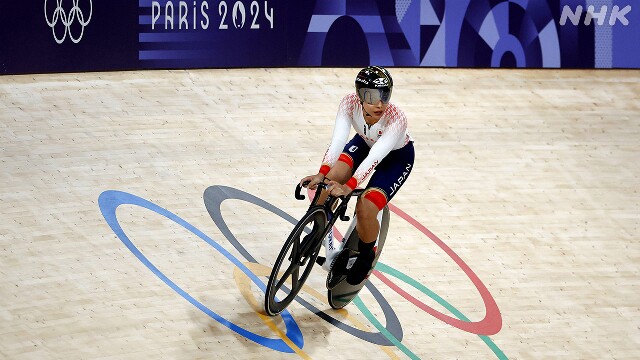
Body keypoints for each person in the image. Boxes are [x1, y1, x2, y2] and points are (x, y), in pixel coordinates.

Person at [300, 65, 414, 285]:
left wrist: (350, 186)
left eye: (384, 95)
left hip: (396, 159)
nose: (380, 103)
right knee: (329, 181)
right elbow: (338, 141)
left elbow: (376, 158)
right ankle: (318, 230)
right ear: (360, 96)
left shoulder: (397, 118)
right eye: (372, 96)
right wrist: (321, 173)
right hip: (363, 143)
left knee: (365, 205)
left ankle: (366, 255)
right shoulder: (348, 103)